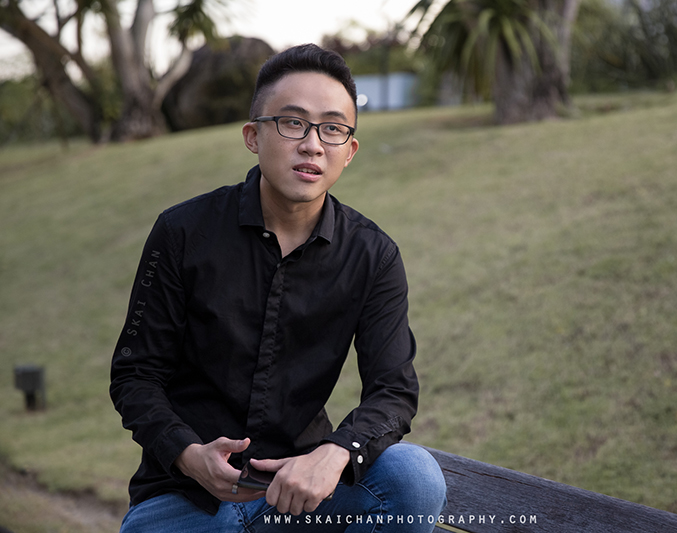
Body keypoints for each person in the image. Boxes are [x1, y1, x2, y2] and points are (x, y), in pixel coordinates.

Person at [110, 43, 446, 532]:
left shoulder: (374, 256)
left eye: (333, 128)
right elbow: (135, 375)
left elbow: (393, 390)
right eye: (293, 123)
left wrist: (335, 452)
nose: (313, 144)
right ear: (253, 136)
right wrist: (187, 455)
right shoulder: (183, 232)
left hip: (300, 496)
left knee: (412, 477)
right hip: (186, 498)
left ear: (349, 151)